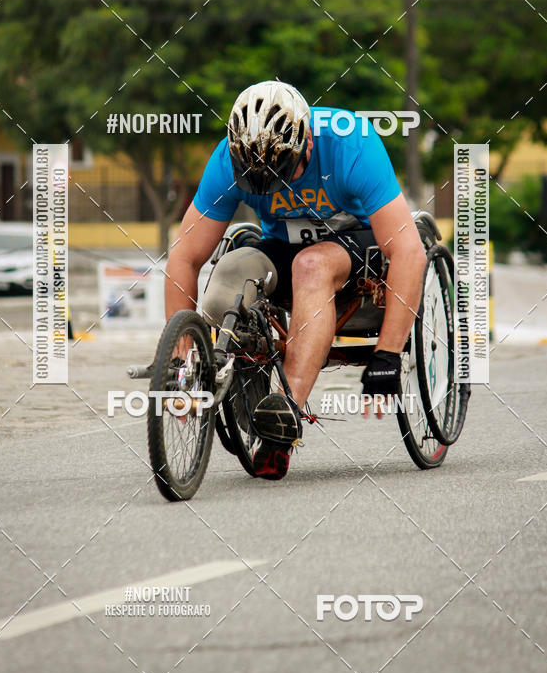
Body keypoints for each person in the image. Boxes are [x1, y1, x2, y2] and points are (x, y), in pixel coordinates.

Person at [164, 80, 427, 479]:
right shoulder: (227, 160)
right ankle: (240, 386)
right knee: (227, 278)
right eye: (257, 177)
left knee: (311, 265)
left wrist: (388, 353)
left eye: (279, 173)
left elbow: (409, 252)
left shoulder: (351, 143)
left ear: (305, 143)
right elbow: (185, 257)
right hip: (280, 244)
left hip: (356, 244)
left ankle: (284, 411)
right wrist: (181, 356)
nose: (271, 184)